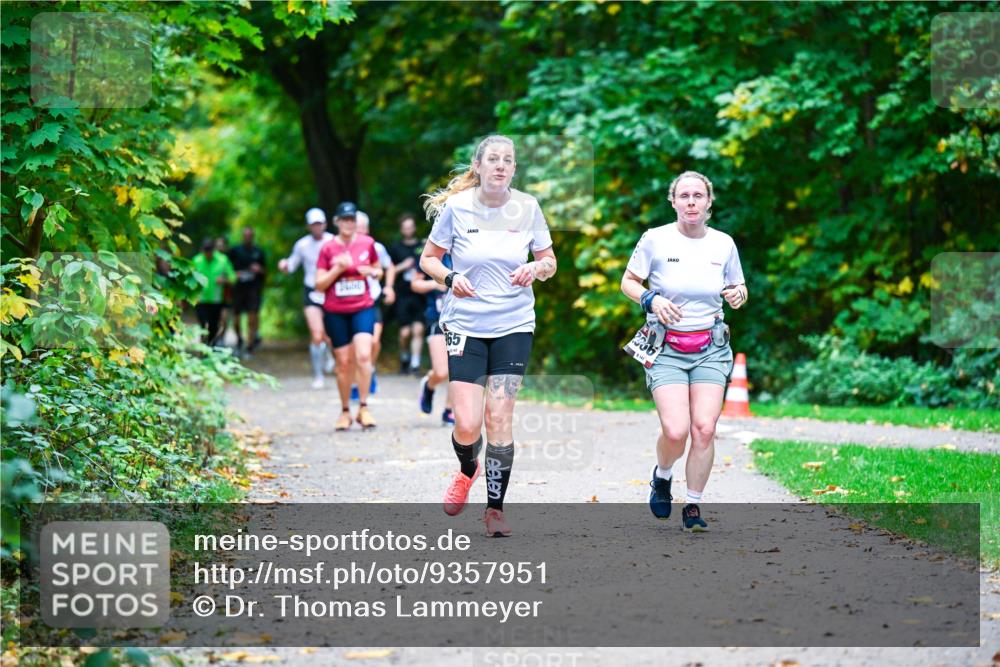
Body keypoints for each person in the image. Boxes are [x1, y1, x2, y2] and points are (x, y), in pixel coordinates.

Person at [419, 134, 557, 537]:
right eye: (492, 159)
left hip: (514, 324)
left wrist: (536, 269)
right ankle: (467, 468)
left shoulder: (528, 207)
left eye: (507, 160)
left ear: (514, 168)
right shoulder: (457, 209)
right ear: (478, 166)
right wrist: (450, 276)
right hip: (465, 325)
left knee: (499, 417)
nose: (500, 165)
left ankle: (495, 509)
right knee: (467, 424)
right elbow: (430, 258)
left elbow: (549, 260)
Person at [620, 170, 748, 532]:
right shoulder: (655, 240)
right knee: (676, 431)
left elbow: (738, 285)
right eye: (684, 196)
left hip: (710, 346)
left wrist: (739, 294)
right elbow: (628, 281)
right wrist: (650, 298)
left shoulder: (723, 243)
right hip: (666, 347)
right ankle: (662, 476)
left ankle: (693, 504)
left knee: (704, 428)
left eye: (698, 196)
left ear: (709, 202)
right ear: (673, 202)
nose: (691, 202)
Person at [315, 201, 383, 431]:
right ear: (336, 222)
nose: (348, 223)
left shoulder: (367, 243)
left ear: (356, 222)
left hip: (362, 307)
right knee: (343, 363)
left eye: (351, 219)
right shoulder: (327, 248)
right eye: (344, 219)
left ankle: (364, 407)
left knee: (364, 355)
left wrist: (373, 272)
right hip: (336, 312)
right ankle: (345, 411)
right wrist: (338, 269)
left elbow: (378, 269)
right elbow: (318, 284)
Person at [278, 207, 336, 389]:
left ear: (325, 224)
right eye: (313, 224)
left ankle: (329, 354)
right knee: (317, 334)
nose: (317, 227)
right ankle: (318, 375)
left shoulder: (333, 241)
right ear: (308, 226)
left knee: (333, 334)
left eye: (319, 223)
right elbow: (292, 266)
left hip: (331, 291)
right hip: (311, 291)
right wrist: (284, 265)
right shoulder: (302, 245)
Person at [354, 210, 396, 396]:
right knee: (356, 344)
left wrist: (389, 287)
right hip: (352, 302)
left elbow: (390, 266)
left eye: (364, 228)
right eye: (358, 228)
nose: (361, 231)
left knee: (374, 340)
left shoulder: (376, 247)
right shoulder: (344, 248)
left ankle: (369, 369)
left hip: (373, 299)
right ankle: (357, 381)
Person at [411, 254, 455, 425]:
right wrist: (438, 283)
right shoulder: (435, 253)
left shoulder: (472, 248)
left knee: (457, 369)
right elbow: (415, 284)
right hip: (437, 317)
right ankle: (429, 386)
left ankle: (449, 411)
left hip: (464, 319)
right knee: (441, 371)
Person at [389, 213, 425, 375]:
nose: (409, 230)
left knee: (418, 330)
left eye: (411, 227)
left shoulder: (422, 246)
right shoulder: (396, 248)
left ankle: (415, 364)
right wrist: (403, 266)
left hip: (419, 295)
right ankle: (404, 357)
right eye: (405, 228)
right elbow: (389, 271)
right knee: (405, 333)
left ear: (414, 228)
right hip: (402, 294)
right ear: (401, 230)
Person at [227, 226, 266, 356]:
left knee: (252, 318)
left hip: (253, 289)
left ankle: (249, 346)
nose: (248, 238)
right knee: (236, 318)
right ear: (243, 237)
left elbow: (265, 271)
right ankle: (239, 339)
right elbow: (227, 268)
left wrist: (259, 269)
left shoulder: (258, 252)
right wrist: (235, 274)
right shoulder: (235, 251)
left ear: (253, 237)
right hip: (238, 289)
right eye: (246, 236)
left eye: (250, 236)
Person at [191, 237, 236, 346]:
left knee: (213, 326)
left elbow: (233, 278)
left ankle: (211, 347)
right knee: (203, 324)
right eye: (206, 251)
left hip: (216, 300)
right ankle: (203, 346)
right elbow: (188, 278)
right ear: (202, 250)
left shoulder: (222, 260)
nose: (208, 254)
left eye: (210, 251)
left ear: (213, 250)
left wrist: (224, 280)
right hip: (200, 299)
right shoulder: (196, 260)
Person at [215, 237, 233, 347]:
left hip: (225, 294)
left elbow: (233, 277)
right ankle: (214, 339)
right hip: (211, 296)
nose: (220, 248)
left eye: (222, 245)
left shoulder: (226, 260)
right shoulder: (209, 259)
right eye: (218, 245)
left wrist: (225, 280)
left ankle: (221, 338)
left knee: (224, 318)